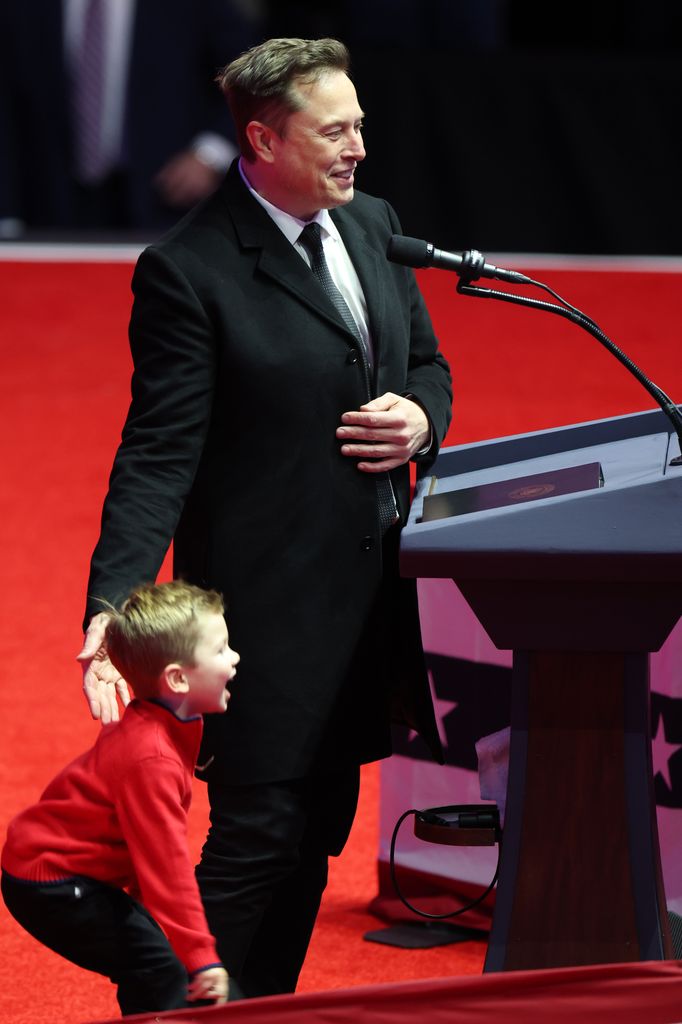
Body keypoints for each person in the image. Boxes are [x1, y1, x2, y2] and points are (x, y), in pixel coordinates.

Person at [78, 37, 453, 998]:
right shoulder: (189, 270)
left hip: (366, 598)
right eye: (336, 130)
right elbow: (158, 451)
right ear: (262, 139)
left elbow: (425, 367)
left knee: (315, 830)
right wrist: (114, 606)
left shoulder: (371, 225)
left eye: (360, 124)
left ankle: (258, 1012)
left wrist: (419, 417)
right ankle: (167, 1007)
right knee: (259, 840)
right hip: (267, 615)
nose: (360, 146)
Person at [2, 581, 239, 1015]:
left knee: (155, 962)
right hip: (50, 883)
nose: (235, 657)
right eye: (222, 649)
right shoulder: (152, 757)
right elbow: (165, 866)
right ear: (178, 678)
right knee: (163, 968)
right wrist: (202, 956)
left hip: (66, 869)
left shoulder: (169, 719)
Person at [0, 0, 258, 236]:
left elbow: (252, 77)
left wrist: (210, 154)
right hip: (47, 206)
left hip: (164, 200)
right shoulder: (20, 7)